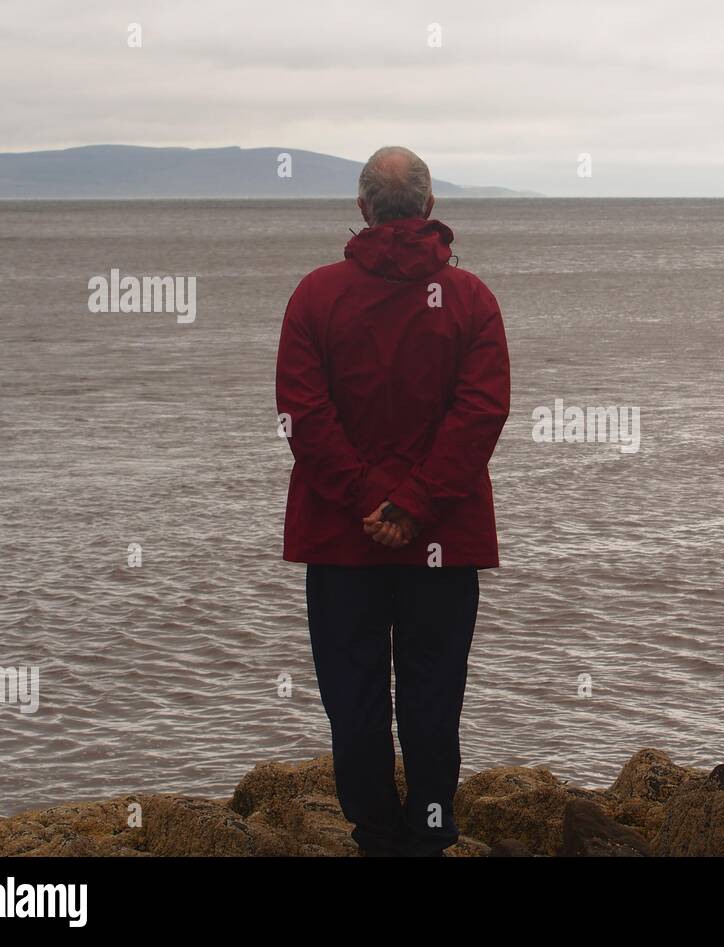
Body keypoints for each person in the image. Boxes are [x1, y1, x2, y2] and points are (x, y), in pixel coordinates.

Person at [275, 146, 510, 856]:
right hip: (442, 537)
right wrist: (411, 506)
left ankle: (377, 833)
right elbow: (480, 414)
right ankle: (430, 833)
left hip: (342, 539)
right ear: (430, 208)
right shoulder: (471, 300)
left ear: (362, 208)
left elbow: (303, 416)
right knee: (434, 697)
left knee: (355, 698)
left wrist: (368, 501)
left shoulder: (316, 295)